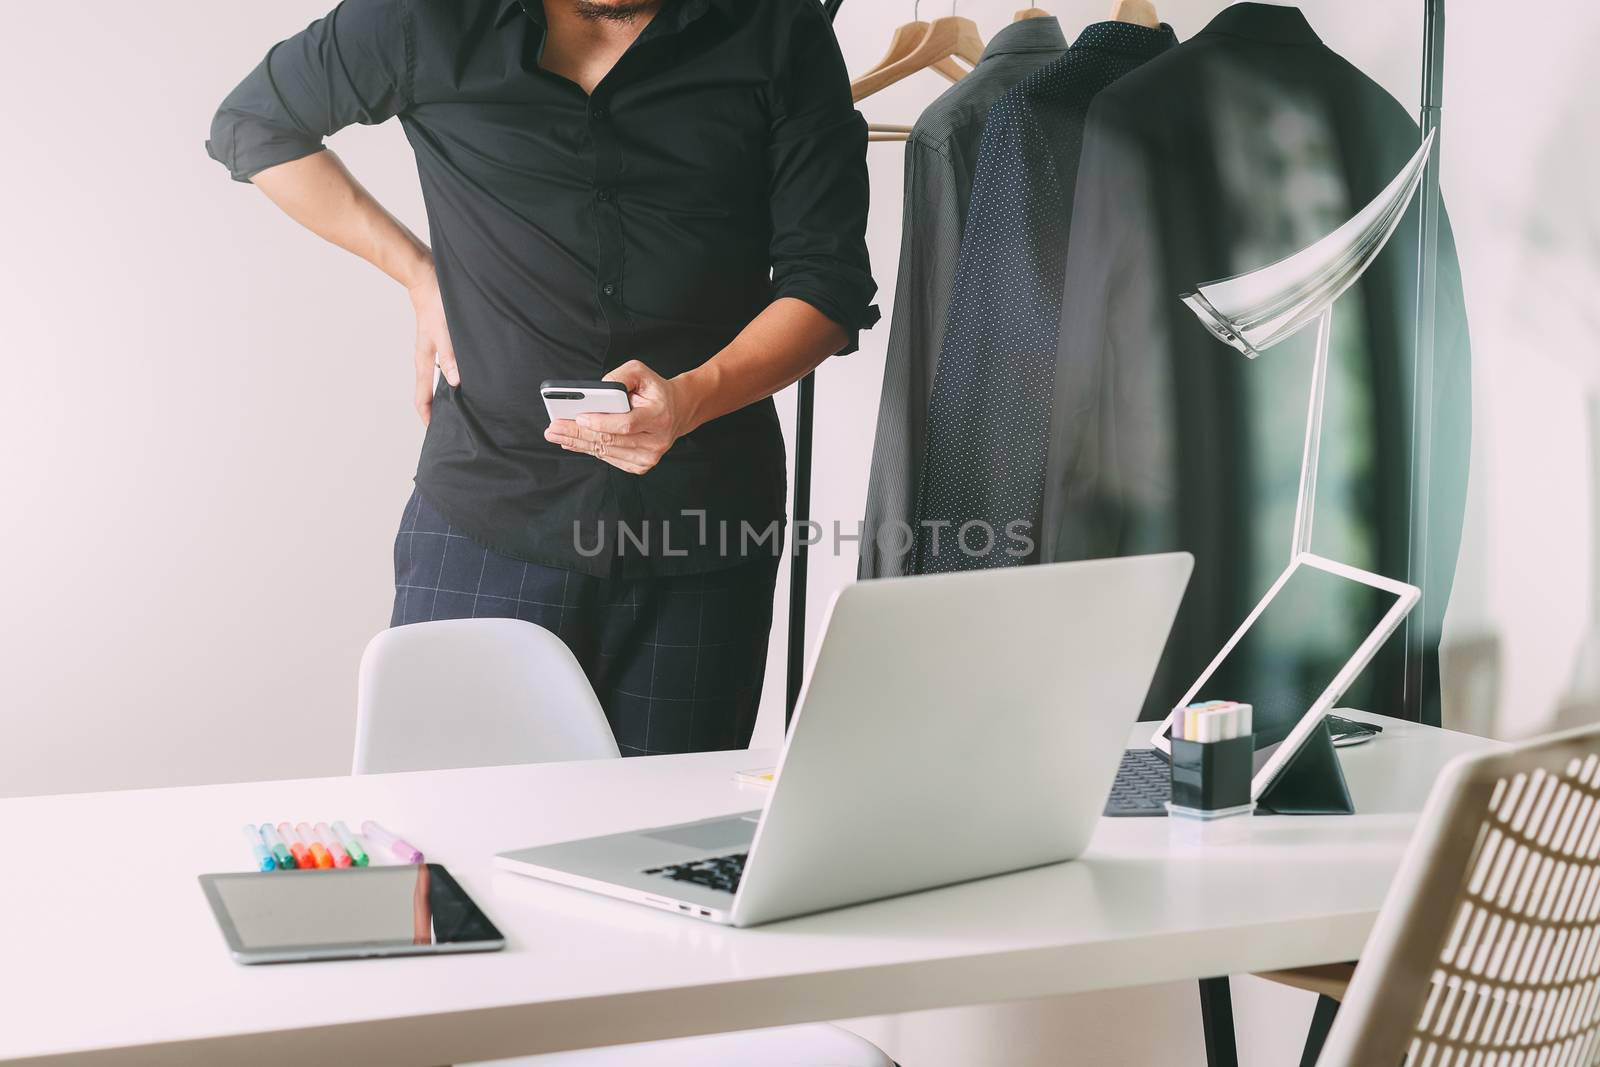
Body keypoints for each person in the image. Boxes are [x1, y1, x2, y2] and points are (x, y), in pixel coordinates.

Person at [207, 0, 877, 755]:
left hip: (702, 529)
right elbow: (252, 125)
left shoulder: (780, 30)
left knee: (660, 854)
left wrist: (691, 399)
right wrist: (418, 273)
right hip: (487, 513)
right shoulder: (420, 17)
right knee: (450, 834)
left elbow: (828, 286)